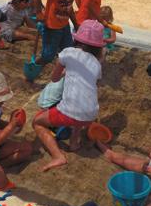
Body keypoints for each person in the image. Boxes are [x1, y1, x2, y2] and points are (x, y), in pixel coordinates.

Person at [32, 20, 104, 172]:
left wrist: (66, 72)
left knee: (37, 122)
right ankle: (73, 143)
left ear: (77, 39)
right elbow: (92, 85)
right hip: (91, 113)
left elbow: (55, 79)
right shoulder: (97, 64)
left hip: (72, 111)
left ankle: (58, 156)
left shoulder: (68, 53)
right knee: (78, 109)